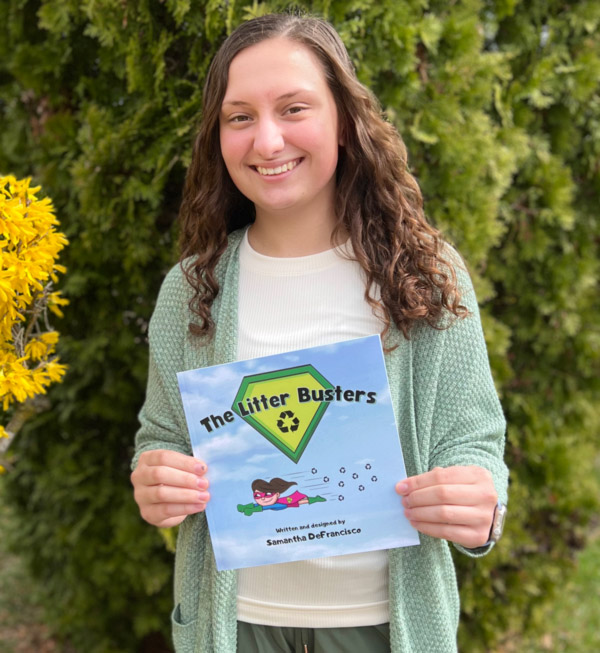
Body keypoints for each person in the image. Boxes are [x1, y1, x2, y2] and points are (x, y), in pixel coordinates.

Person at [130, 12, 508, 653]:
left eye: (294, 108)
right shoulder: (192, 289)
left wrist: (479, 504)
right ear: (217, 137)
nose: (267, 141)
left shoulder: (423, 274)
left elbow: (473, 441)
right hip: (235, 627)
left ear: (344, 119)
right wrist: (155, 479)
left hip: (385, 631)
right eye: (239, 116)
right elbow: (162, 438)